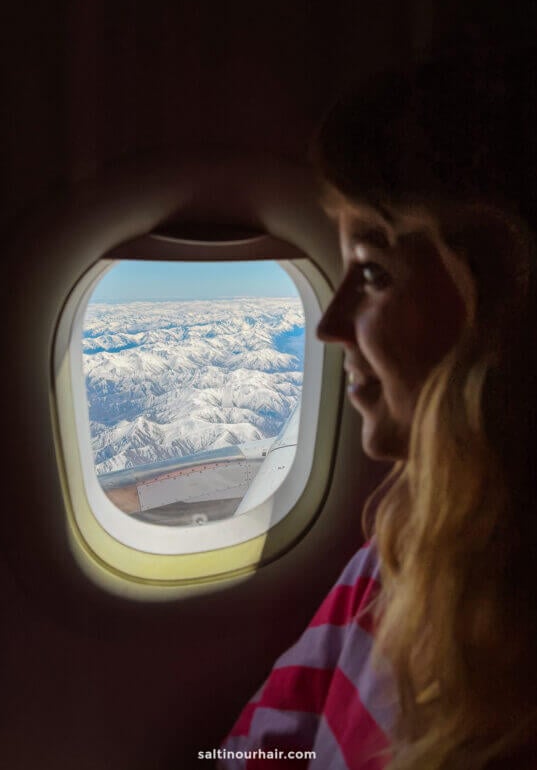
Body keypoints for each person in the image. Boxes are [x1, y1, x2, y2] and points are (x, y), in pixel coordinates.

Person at [219, 45, 537, 770]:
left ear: (500, 311)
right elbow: (252, 751)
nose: (329, 325)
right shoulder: (401, 546)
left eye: (371, 272)